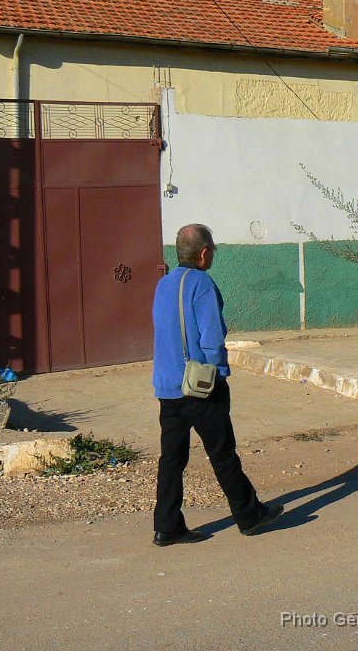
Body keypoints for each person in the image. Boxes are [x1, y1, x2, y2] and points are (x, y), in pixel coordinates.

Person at [151, 223, 283, 546]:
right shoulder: (203, 284)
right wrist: (219, 374)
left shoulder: (163, 285)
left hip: (168, 388)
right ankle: (249, 515)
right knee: (222, 453)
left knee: (171, 458)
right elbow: (212, 336)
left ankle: (166, 526)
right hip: (199, 387)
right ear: (204, 253)